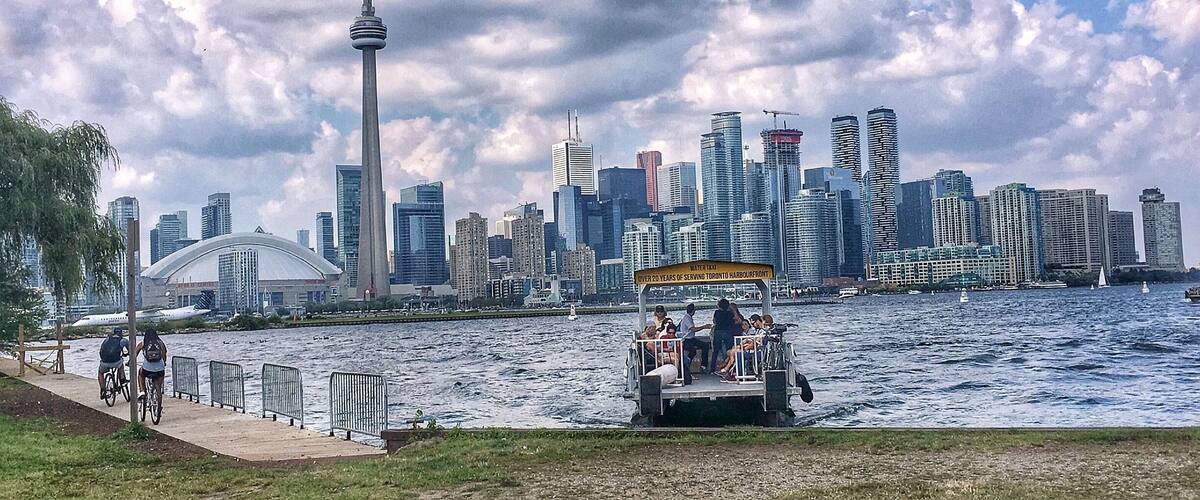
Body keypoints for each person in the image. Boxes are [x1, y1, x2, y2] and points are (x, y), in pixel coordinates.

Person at [678, 303, 712, 373]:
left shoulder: (688, 317)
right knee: (693, 351)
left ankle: (703, 366)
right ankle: (686, 366)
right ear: (693, 311)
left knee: (705, 345)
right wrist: (704, 327)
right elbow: (693, 329)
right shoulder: (687, 318)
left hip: (692, 338)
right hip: (686, 339)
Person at [135, 329, 168, 400]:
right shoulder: (160, 343)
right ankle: (158, 391)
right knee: (159, 383)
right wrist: (164, 362)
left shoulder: (143, 343)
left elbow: (135, 354)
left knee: (140, 374)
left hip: (147, 369)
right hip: (160, 369)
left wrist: (129, 362)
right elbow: (164, 353)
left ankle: (142, 391)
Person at [97, 328, 129, 399]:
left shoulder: (106, 339)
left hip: (104, 362)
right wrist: (127, 354)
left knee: (100, 373)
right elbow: (130, 350)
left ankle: (103, 389)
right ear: (121, 334)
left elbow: (101, 350)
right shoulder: (123, 340)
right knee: (121, 365)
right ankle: (122, 379)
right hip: (116, 362)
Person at [709, 299, 736, 373]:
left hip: (718, 331)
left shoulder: (717, 312)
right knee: (728, 350)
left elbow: (714, 321)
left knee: (715, 351)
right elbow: (734, 320)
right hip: (728, 331)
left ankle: (712, 369)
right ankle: (728, 367)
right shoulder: (730, 313)